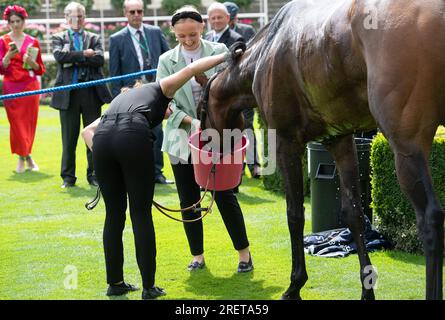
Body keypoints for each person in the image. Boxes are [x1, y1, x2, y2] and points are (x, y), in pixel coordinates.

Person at [81, 51, 233, 300]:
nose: (170, 109)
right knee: (140, 214)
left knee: (114, 215)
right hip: (131, 135)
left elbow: (88, 131)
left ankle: (115, 283)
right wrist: (226, 55)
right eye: (171, 107)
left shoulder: (120, 102)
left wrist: (113, 164)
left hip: (103, 141)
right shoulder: (159, 89)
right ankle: (149, 288)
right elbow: (191, 70)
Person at [157, 6, 253, 273]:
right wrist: (193, 123)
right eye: (181, 37)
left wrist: (208, 120)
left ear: (202, 27)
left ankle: (244, 255)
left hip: (218, 138)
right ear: (174, 34)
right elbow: (164, 103)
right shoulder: (166, 60)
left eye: (193, 35)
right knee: (188, 200)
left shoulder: (220, 53)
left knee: (224, 195)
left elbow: (233, 92)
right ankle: (197, 256)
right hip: (179, 139)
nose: (188, 40)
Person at [109, 0, 172, 185]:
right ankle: (137, 173)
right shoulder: (116, 38)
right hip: (131, 94)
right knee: (134, 134)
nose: (136, 14)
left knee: (157, 132)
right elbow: (114, 72)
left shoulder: (155, 32)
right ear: (125, 14)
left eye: (139, 11)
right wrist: (117, 97)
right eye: (132, 12)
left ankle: (157, 172)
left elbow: (167, 58)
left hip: (155, 90)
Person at [50, 2, 112, 188]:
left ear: (84, 18)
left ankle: (94, 175)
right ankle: (68, 178)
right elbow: (60, 57)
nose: (76, 20)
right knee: (68, 139)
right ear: (66, 18)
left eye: (80, 16)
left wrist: (74, 57)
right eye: (72, 16)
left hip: (90, 94)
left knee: (93, 137)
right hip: (68, 95)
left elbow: (100, 59)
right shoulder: (58, 37)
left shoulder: (93, 37)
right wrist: (85, 54)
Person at [0, 5, 45, 173]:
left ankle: (25, 156)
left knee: (29, 124)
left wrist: (31, 62)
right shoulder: (3, 41)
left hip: (30, 85)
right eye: (12, 22)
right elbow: (1, 68)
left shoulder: (33, 41)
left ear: (24, 21)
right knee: (17, 124)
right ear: (8, 23)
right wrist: (7, 57)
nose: (15, 25)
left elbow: (40, 69)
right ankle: (25, 157)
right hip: (11, 86)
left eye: (18, 21)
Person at [223, 1, 261, 178]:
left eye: (231, 17)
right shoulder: (210, 34)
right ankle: (233, 164)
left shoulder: (246, 31)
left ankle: (254, 165)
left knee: (247, 125)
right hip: (224, 90)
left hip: (243, 88)